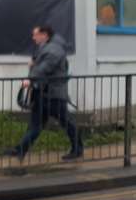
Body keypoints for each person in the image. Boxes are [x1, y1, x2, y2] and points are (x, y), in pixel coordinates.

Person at [10, 24, 84, 163]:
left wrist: (30, 79)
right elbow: (38, 65)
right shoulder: (45, 47)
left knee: (67, 122)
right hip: (43, 93)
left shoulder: (54, 49)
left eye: (35, 35)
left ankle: (77, 149)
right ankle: (20, 150)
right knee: (35, 125)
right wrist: (33, 68)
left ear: (44, 35)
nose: (33, 38)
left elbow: (44, 67)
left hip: (54, 94)